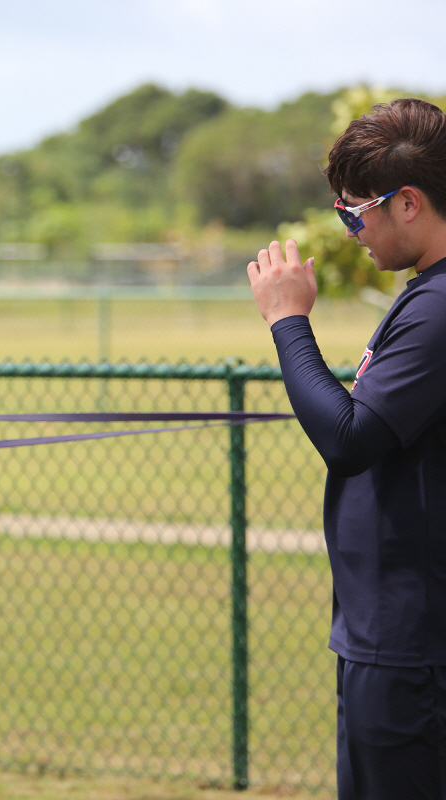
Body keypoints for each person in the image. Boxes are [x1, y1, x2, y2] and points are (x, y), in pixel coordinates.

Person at [247, 98, 446, 799]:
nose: (351, 230)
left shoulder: (438, 307)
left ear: (410, 203)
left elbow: (350, 438)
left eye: (354, 212)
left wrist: (287, 320)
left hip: (412, 648)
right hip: (395, 635)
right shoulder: (427, 296)